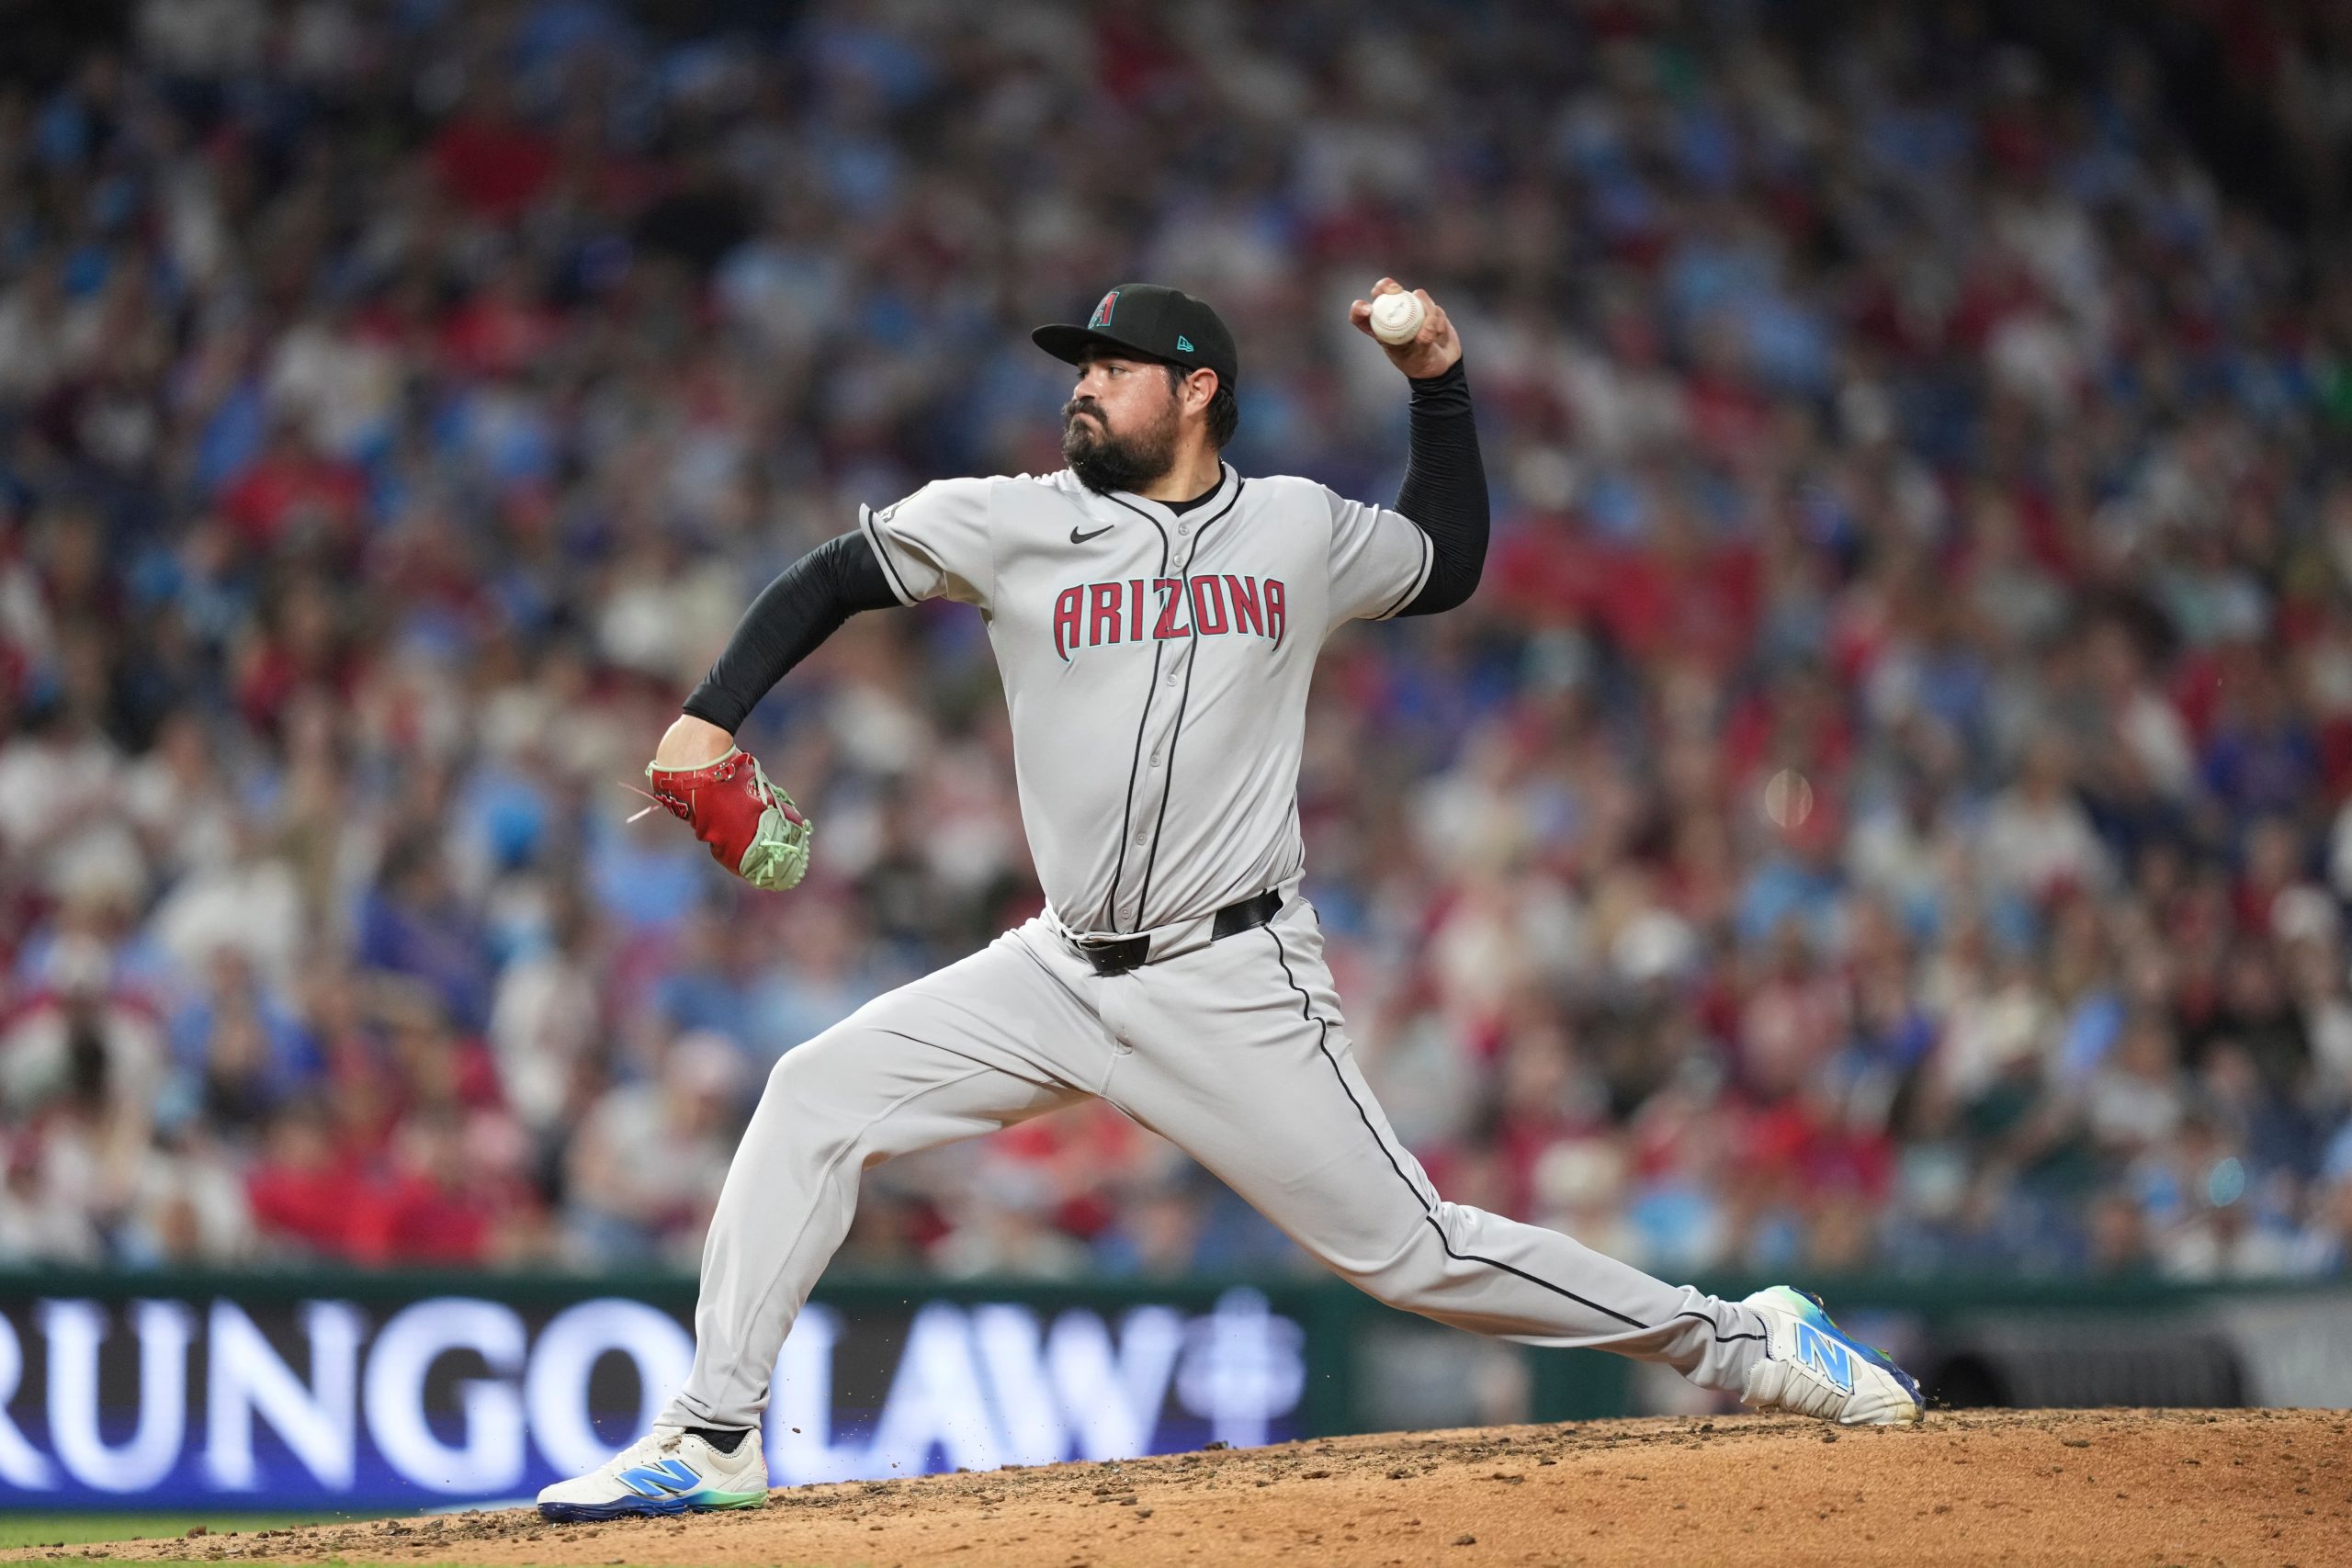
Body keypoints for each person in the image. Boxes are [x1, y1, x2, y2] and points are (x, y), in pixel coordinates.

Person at [537, 280, 1922, 1520]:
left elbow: (1447, 562)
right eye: (1079, 366)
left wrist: (1437, 383)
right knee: (814, 1095)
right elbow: (834, 575)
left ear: (1198, 390)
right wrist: (708, 716)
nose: (1083, 383)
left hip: (1234, 978)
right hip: (1059, 969)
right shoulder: (1017, 522)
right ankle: (712, 1434)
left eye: (1116, 365)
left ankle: (1747, 1343)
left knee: (1415, 1256)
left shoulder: (1297, 531)